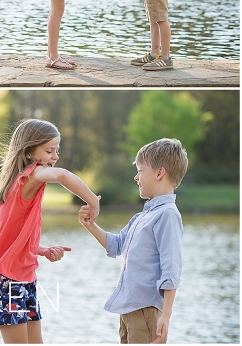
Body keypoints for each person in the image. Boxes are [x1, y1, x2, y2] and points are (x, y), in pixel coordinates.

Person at [0, 119, 100, 344]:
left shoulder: (18, 185)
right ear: (28, 152)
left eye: (57, 150)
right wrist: (93, 201)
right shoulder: (29, 177)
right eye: (49, 150)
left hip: (23, 278)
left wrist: (42, 250)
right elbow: (62, 176)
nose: (55, 157)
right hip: (6, 282)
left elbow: (10, 242)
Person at [78, 138, 185, 344]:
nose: (136, 177)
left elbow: (171, 268)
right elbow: (116, 245)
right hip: (129, 310)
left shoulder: (167, 214)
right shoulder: (141, 217)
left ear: (159, 173)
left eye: (140, 170)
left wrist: (166, 315)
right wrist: (90, 224)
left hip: (147, 311)